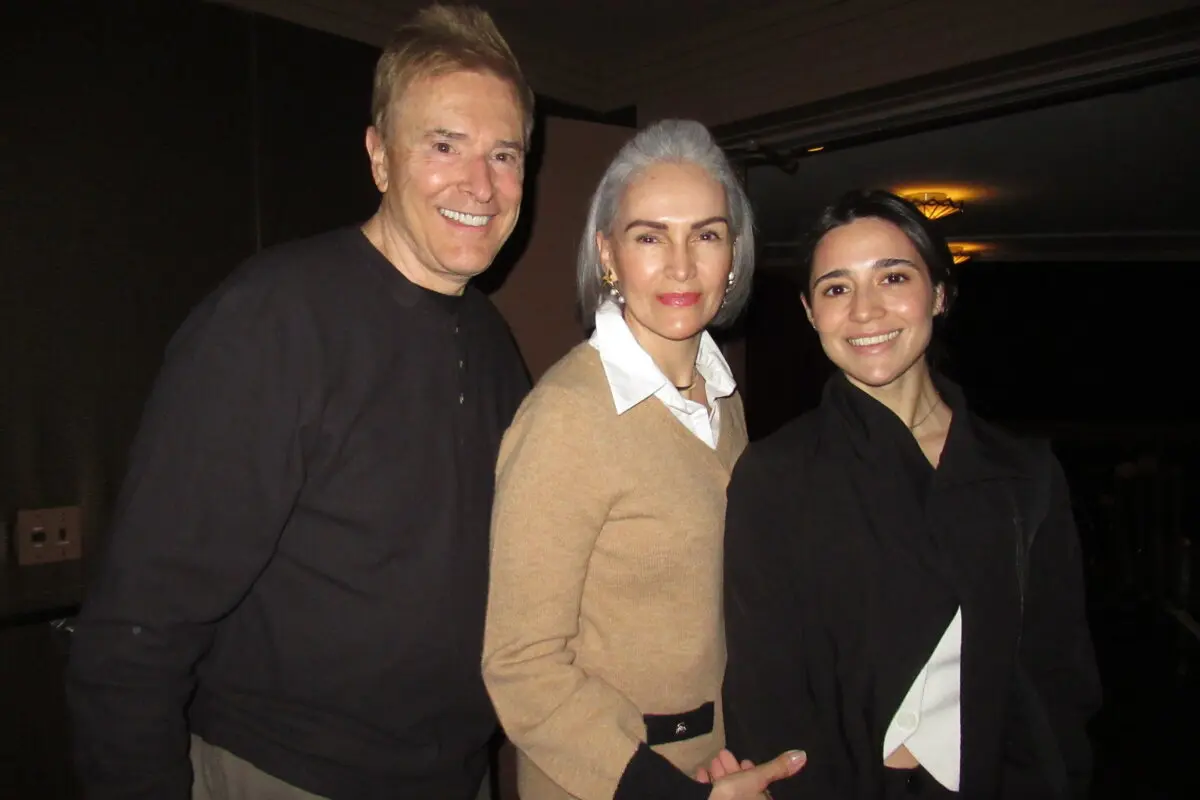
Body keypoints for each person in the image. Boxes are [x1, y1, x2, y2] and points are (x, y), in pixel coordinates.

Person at [65, 5, 533, 798]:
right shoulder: (275, 319)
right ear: (380, 158)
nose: (480, 186)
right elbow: (137, 627)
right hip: (284, 774)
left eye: (505, 153)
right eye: (444, 145)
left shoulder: (493, 345)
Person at [717, 190, 1101, 799]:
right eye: (837, 288)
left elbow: (1059, 672)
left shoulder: (1022, 474)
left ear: (940, 294)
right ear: (810, 312)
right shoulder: (777, 475)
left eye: (893, 277)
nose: (865, 312)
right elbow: (766, 691)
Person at [481, 119, 806, 800]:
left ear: (734, 255)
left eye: (707, 235)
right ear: (608, 254)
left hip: (717, 765)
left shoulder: (724, 400)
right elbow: (520, 666)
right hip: (609, 782)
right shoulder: (567, 418)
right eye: (650, 236)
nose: (682, 265)